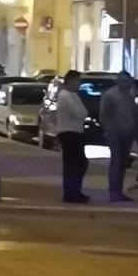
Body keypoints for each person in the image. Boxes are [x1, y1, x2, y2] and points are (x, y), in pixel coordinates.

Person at [99, 70, 137, 202]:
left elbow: (133, 112)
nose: (126, 84)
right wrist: (109, 128)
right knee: (116, 162)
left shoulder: (129, 95)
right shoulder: (110, 95)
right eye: (123, 81)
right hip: (115, 133)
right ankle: (114, 191)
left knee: (123, 163)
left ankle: (118, 191)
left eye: (128, 81)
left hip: (128, 133)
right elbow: (104, 115)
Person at [55, 69, 90, 204]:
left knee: (79, 163)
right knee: (73, 164)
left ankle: (75, 191)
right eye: (77, 81)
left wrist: (82, 113)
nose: (79, 84)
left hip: (76, 132)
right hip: (68, 133)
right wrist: (82, 113)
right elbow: (79, 113)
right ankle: (70, 193)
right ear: (70, 81)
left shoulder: (73, 95)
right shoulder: (65, 96)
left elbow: (84, 112)